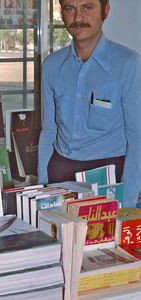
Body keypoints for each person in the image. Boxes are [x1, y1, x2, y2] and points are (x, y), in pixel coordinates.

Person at [37, 0, 141, 208]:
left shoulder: (128, 63)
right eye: (69, 9)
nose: (77, 18)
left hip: (108, 176)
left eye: (87, 8)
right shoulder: (51, 66)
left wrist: (128, 201)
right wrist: (41, 190)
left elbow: (137, 137)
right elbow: (49, 131)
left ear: (105, 11)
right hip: (60, 173)